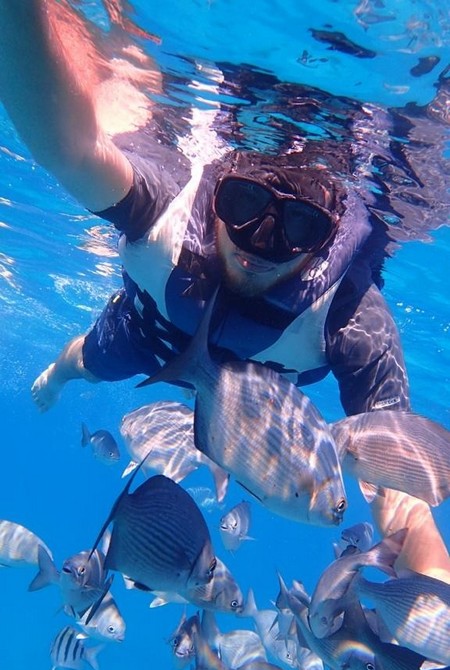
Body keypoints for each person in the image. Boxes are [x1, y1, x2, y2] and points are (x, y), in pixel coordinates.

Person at [1, 0, 449, 580]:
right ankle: (55, 377)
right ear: (217, 190)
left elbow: (400, 491)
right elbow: (68, 145)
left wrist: (435, 598)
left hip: (268, 387)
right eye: (243, 205)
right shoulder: (165, 212)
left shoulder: (351, 316)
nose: (259, 244)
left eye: (297, 227)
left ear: (329, 234)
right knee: (89, 359)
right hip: (159, 329)